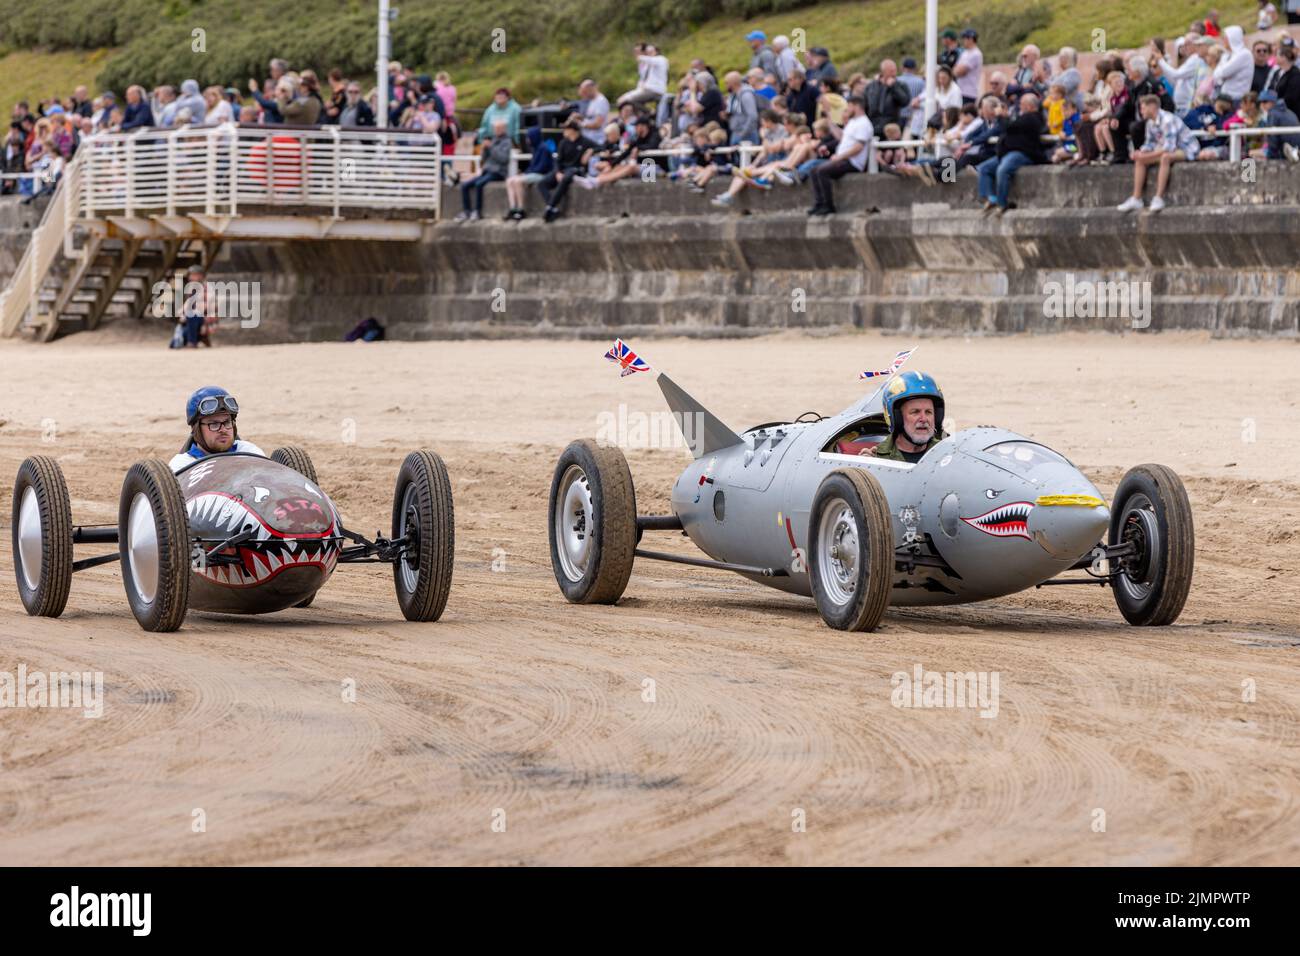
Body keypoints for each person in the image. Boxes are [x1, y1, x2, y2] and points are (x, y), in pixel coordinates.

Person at [1117, 94, 1200, 213]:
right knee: (1140, 160)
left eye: (1143, 108)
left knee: (1165, 157)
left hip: (1187, 149)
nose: (1141, 111)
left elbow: (1169, 148)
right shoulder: (1150, 123)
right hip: (1170, 148)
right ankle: (1136, 198)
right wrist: (1140, 152)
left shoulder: (1167, 120)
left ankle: (1159, 198)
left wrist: (1147, 155)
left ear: (1152, 107)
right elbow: (1150, 143)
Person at [976, 92, 1047, 216]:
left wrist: (1001, 117)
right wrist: (1004, 116)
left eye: (1022, 104)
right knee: (984, 168)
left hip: (1021, 153)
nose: (1020, 106)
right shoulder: (1021, 117)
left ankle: (1001, 203)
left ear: (1029, 106)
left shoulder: (1034, 118)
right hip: (1006, 153)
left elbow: (1009, 127)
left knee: (1003, 170)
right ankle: (990, 198)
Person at [170, 388, 265, 473]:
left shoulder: (250, 452)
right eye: (214, 424)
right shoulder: (181, 466)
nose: (223, 429)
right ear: (196, 429)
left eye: (227, 422)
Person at [807, 94, 872, 216]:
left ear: (856, 106)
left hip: (852, 162)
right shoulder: (853, 122)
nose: (847, 109)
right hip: (843, 159)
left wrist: (839, 157)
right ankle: (819, 204)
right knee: (814, 170)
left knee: (821, 171)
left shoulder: (864, 123)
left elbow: (858, 147)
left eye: (849, 106)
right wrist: (829, 118)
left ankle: (828, 205)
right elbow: (841, 137)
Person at [873, 372, 945, 463]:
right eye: (915, 412)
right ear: (897, 418)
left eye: (928, 412)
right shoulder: (876, 460)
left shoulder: (948, 452)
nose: (923, 419)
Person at [454, 118, 511, 222]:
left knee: (479, 184)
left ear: (503, 129)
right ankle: (467, 211)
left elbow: (503, 159)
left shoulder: (506, 141)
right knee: (465, 185)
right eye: (495, 128)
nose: (496, 130)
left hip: (498, 172)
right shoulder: (493, 140)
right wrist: (484, 149)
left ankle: (477, 211)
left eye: (498, 128)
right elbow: (484, 159)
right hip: (487, 171)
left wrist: (491, 147)